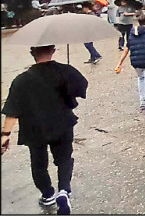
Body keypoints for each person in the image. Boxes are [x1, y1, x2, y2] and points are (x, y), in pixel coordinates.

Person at [1, 45, 88, 215]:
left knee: (39, 164)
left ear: (32, 53)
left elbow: (12, 110)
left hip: (34, 129)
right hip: (62, 123)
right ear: (53, 50)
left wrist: (5, 135)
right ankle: (64, 190)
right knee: (64, 159)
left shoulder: (21, 80)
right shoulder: (65, 71)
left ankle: (47, 194)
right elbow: (82, 87)